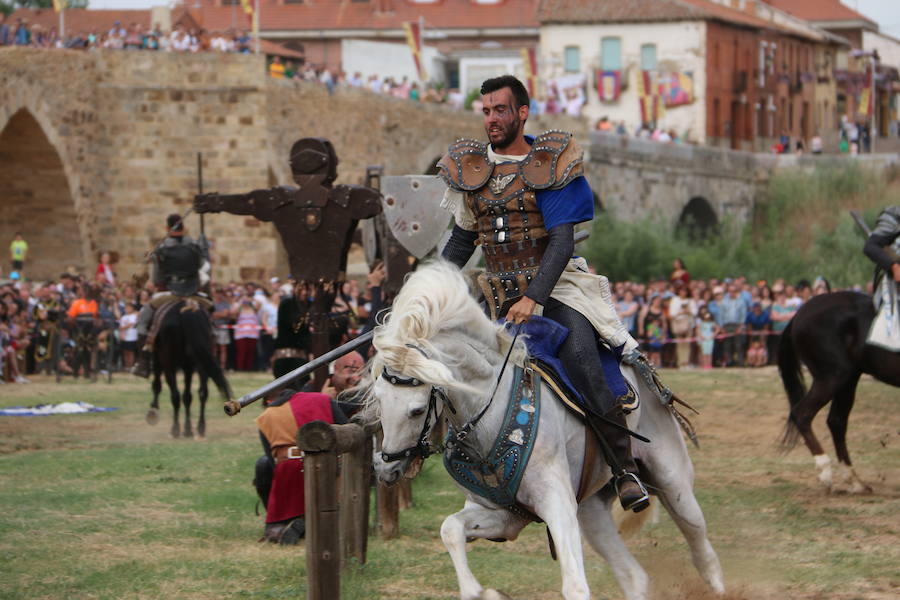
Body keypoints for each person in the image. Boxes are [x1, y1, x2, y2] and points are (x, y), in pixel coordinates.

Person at [438, 75, 649, 512]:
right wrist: (426, 288)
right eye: (486, 111)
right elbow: (461, 243)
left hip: (555, 290)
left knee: (583, 362)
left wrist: (534, 296)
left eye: (500, 110)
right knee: (449, 359)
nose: (491, 119)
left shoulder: (549, 163)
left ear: (522, 112)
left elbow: (561, 242)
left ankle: (623, 467)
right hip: (494, 294)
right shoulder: (469, 169)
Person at [252, 352, 364, 544]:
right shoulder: (322, 399)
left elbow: (272, 462)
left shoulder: (265, 417)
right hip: (329, 469)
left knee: (265, 470)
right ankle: (306, 521)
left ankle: (282, 527)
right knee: (330, 509)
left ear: (269, 401)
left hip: (288, 469)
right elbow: (346, 433)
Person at [131, 214, 208, 377]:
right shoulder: (195, 245)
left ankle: (143, 361)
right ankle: (210, 348)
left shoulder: (162, 249)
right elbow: (203, 265)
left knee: (144, 318)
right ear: (183, 228)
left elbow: (158, 278)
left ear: (167, 228)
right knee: (210, 314)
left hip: (170, 292)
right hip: (194, 292)